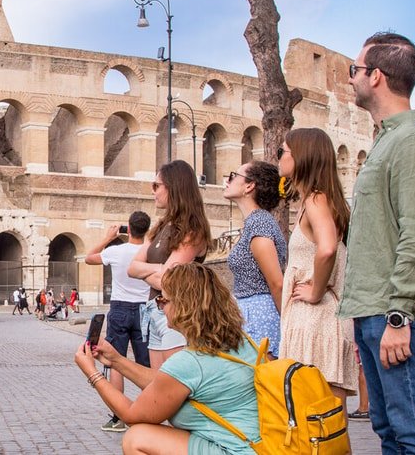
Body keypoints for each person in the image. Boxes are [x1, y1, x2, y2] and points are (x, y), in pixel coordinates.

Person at [338, 32, 415, 453]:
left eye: (355, 70)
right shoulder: (386, 141)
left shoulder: (413, 141)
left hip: (395, 313)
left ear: (377, 76)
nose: (351, 79)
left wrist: (399, 317)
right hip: (372, 311)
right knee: (390, 433)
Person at [75, 262, 260, 455]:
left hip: (232, 450)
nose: (160, 308)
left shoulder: (191, 362)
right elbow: (165, 383)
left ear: (183, 306)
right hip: (260, 446)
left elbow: (132, 415)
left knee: (136, 438)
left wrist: (93, 373)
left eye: (163, 301)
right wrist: (116, 360)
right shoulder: (243, 343)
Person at [276, 127, 359, 406]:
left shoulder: (316, 198)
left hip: (317, 318)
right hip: (310, 319)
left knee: (322, 415)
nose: (279, 157)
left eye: (283, 152)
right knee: (320, 418)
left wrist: (316, 290)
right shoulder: (312, 200)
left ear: (302, 157)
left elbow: (327, 248)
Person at [128, 159, 210, 371]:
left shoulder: (193, 228)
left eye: (156, 186)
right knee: (157, 382)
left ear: (174, 187)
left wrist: (156, 272)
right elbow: (132, 267)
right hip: (154, 309)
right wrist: (159, 269)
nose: (153, 191)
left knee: (174, 381)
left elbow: (168, 280)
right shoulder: (162, 225)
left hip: (178, 312)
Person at [85, 210, 153, 433]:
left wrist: (108, 237)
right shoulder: (150, 251)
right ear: (146, 229)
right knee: (147, 364)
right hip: (145, 309)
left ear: (129, 229)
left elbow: (88, 257)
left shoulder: (116, 250)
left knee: (115, 361)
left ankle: (118, 417)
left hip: (120, 308)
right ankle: (152, 413)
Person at [222, 160, 288, 357]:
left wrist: (286, 323)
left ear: (250, 186)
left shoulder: (259, 223)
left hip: (260, 317)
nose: (227, 180)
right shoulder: (256, 222)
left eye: (234, 175)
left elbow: (277, 282)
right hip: (252, 314)